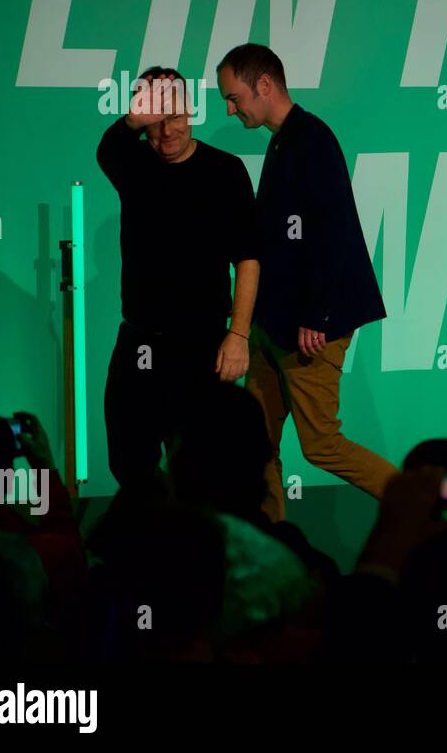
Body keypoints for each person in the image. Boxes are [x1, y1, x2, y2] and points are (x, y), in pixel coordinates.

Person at [216, 44, 396, 522]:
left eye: (234, 98)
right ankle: (269, 543)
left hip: (310, 328)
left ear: (265, 85)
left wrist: (316, 315)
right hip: (274, 327)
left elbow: (335, 230)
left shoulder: (311, 139)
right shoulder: (281, 141)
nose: (231, 110)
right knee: (257, 444)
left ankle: (421, 506)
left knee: (321, 445)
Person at [97, 67, 259, 491]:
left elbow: (248, 259)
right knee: (131, 467)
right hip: (141, 343)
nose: (166, 131)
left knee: (207, 474)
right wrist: (135, 118)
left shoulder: (226, 171)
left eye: (174, 116)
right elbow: (108, 147)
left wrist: (238, 335)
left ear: (191, 111)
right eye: (155, 121)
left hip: (204, 345)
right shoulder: (134, 164)